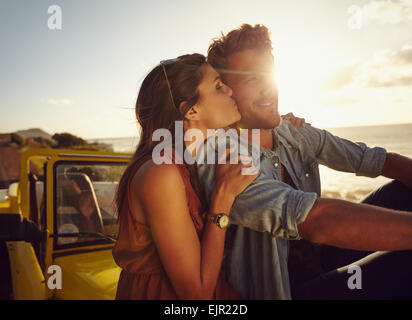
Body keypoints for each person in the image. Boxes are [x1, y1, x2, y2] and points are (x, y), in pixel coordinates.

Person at [192, 23, 412, 300]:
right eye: (252, 80)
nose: (269, 90)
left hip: (321, 259)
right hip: (285, 290)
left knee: (403, 191)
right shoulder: (223, 155)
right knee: (406, 263)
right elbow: (315, 222)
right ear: (226, 91)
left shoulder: (293, 131)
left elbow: (380, 161)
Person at [112, 54, 260, 300]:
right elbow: (196, 295)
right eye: (218, 86)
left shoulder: (193, 161)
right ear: (191, 110)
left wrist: (285, 124)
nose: (229, 90)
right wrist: (223, 199)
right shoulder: (161, 173)